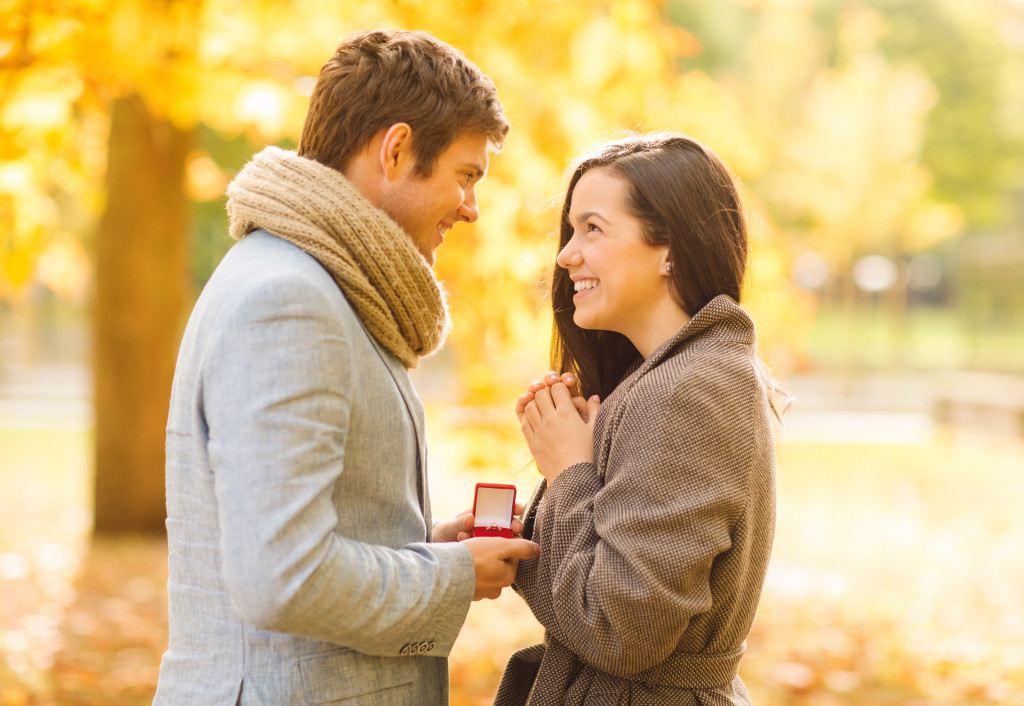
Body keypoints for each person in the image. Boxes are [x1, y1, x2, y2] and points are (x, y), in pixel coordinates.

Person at [153, 29, 540, 706]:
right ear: (395, 151)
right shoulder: (289, 299)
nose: (472, 209)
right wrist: (449, 575)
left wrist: (426, 546)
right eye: (466, 175)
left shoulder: (320, 287)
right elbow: (283, 575)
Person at [494, 134, 782, 705]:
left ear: (670, 248)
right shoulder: (662, 379)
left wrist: (571, 471)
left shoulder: (692, 389)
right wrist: (512, 537)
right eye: (571, 230)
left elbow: (618, 631)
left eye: (593, 229)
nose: (566, 255)